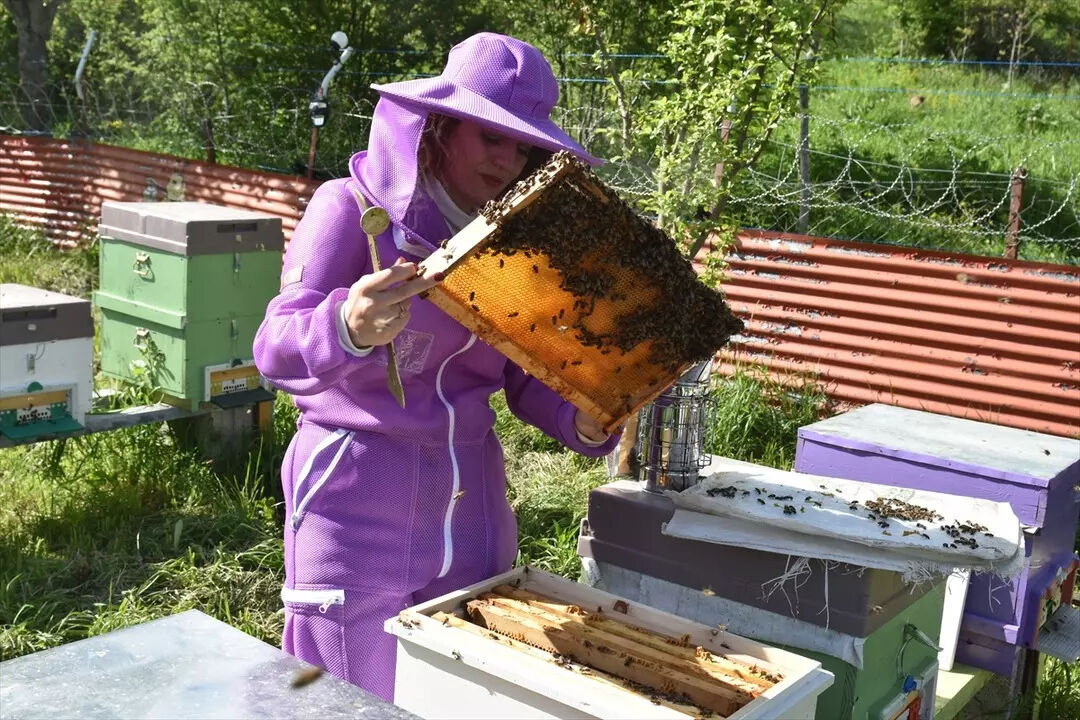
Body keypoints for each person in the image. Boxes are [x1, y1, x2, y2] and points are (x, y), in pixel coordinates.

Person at [253, 32, 621, 702]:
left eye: (523, 147)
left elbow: (525, 375)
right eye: (490, 136)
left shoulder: (517, 243)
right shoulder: (348, 209)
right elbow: (275, 347)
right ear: (441, 128)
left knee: (462, 694)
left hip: (473, 500)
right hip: (356, 494)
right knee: (345, 696)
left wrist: (586, 416)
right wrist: (346, 326)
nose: (506, 159)